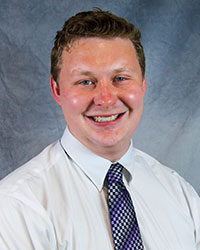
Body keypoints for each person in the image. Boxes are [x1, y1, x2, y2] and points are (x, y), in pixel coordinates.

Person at [0, 9, 199, 250]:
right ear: (57, 91)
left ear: (143, 84)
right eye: (86, 82)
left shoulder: (180, 194)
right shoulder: (19, 206)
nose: (105, 99)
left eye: (121, 78)